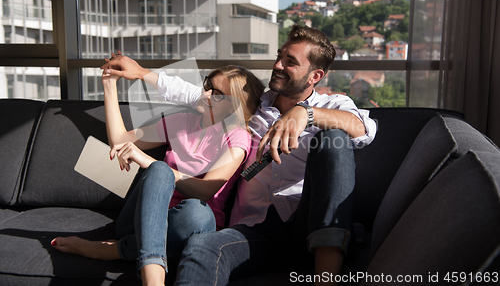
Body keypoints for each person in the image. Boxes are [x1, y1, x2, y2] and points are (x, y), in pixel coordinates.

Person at [99, 24, 377, 285]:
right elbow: (197, 95)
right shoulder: (253, 106)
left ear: (315, 76)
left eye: (290, 62)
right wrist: (141, 72)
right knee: (202, 246)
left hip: (305, 222)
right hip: (254, 231)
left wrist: (307, 113)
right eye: (280, 56)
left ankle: (325, 278)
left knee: (334, 138)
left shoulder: (332, 105)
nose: (278, 65)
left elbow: (365, 127)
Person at [51, 61, 265, 286]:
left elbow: (206, 190)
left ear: (234, 107)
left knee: (197, 212)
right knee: (160, 170)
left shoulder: (237, 136)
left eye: (218, 94)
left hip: (187, 228)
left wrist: (148, 161)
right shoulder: (182, 121)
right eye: (208, 85)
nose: (206, 93)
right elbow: (119, 140)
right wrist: (109, 85)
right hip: (140, 220)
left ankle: (116, 249)